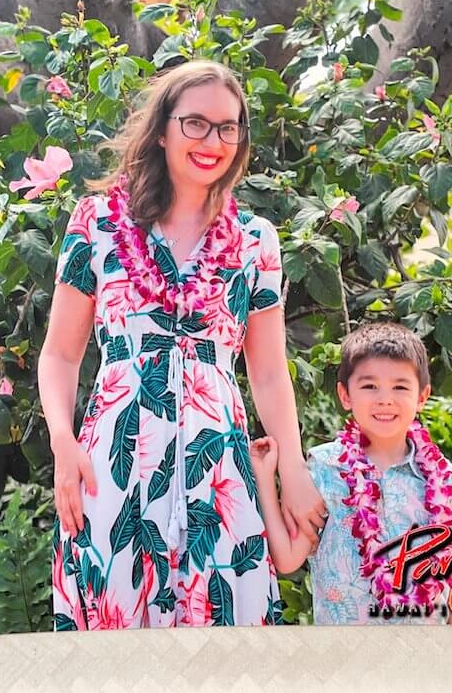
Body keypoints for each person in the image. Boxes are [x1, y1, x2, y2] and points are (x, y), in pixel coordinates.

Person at [38, 60, 324, 630]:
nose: (212, 141)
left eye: (228, 127)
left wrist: (291, 467)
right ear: (163, 129)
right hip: (113, 468)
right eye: (195, 123)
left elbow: (268, 374)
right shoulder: (96, 223)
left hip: (217, 472)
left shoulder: (256, 242)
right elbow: (61, 355)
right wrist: (62, 447)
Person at [250, 322, 452, 625]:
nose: (385, 398)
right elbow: (288, 558)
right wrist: (265, 479)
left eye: (400, 386)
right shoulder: (327, 470)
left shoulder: (443, 479)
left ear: (422, 397)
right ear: (345, 395)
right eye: (370, 386)